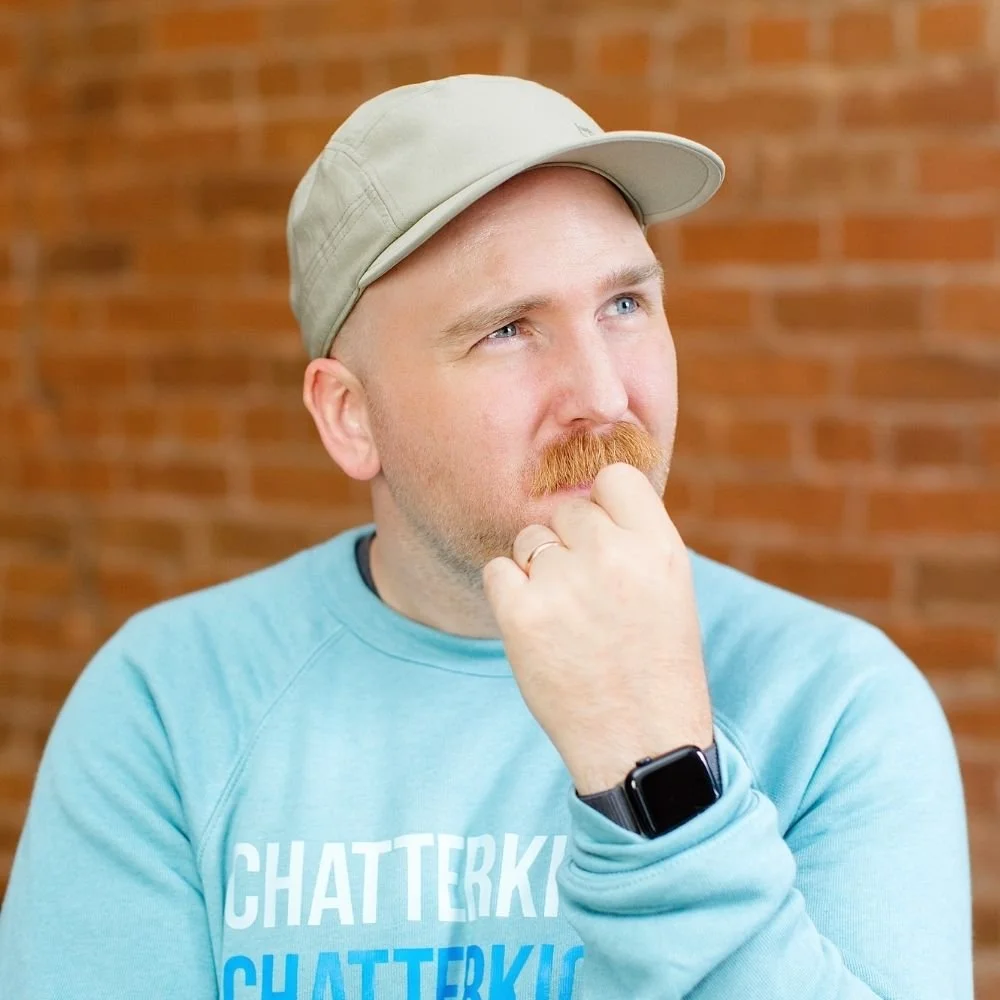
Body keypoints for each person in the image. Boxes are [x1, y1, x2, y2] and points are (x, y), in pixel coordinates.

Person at [0, 74, 972, 1000]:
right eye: (508, 328)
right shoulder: (168, 708)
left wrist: (660, 772)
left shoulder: (834, 705)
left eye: (624, 304)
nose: (601, 397)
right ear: (350, 416)